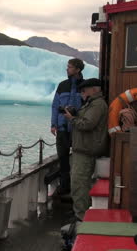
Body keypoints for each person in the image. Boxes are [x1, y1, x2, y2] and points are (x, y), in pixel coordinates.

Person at [63, 78, 108, 221]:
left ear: (94, 90)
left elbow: (87, 124)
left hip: (85, 150)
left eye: (84, 90)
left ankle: (81, 217)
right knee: (82, 184)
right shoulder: (92, 104)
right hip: (84, 149)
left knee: (79, 184)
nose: (82, 93)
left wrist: (71, 119)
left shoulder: (97, 105)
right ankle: (82, 212)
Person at [51, 58, 85, 194]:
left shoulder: (84, 86)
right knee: (63, 159)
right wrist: (53, 124)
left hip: (78, 128)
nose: (67, 69)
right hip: (62, 128)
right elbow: (54, 105)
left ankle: (77, 189)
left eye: (70, 67)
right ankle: (65, 188)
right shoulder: (62, 85)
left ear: (77, 69)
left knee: (78, 160)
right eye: (67, 67)